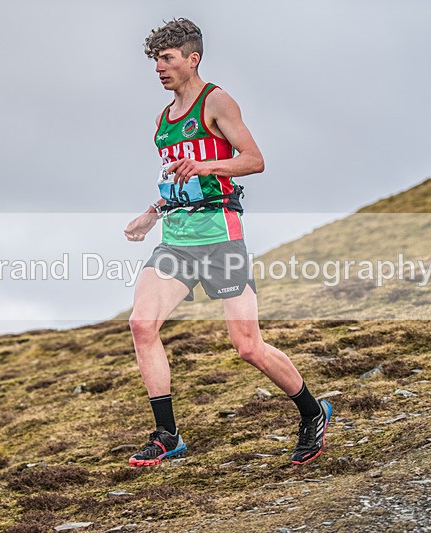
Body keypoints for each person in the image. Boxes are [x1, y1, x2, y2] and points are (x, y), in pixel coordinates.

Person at [123, 18, 332, 467]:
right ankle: (167, 435)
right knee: (141, 324)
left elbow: (254, 160)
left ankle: (313, 412)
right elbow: (175, 181)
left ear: (192, 59)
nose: (159, 68)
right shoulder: (162, 122)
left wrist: (208, 167)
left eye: (167, 59)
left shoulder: (216, 101)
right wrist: (152, 212)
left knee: (247, 346)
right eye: (156, 60)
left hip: (221, 236)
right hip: (176, 240)